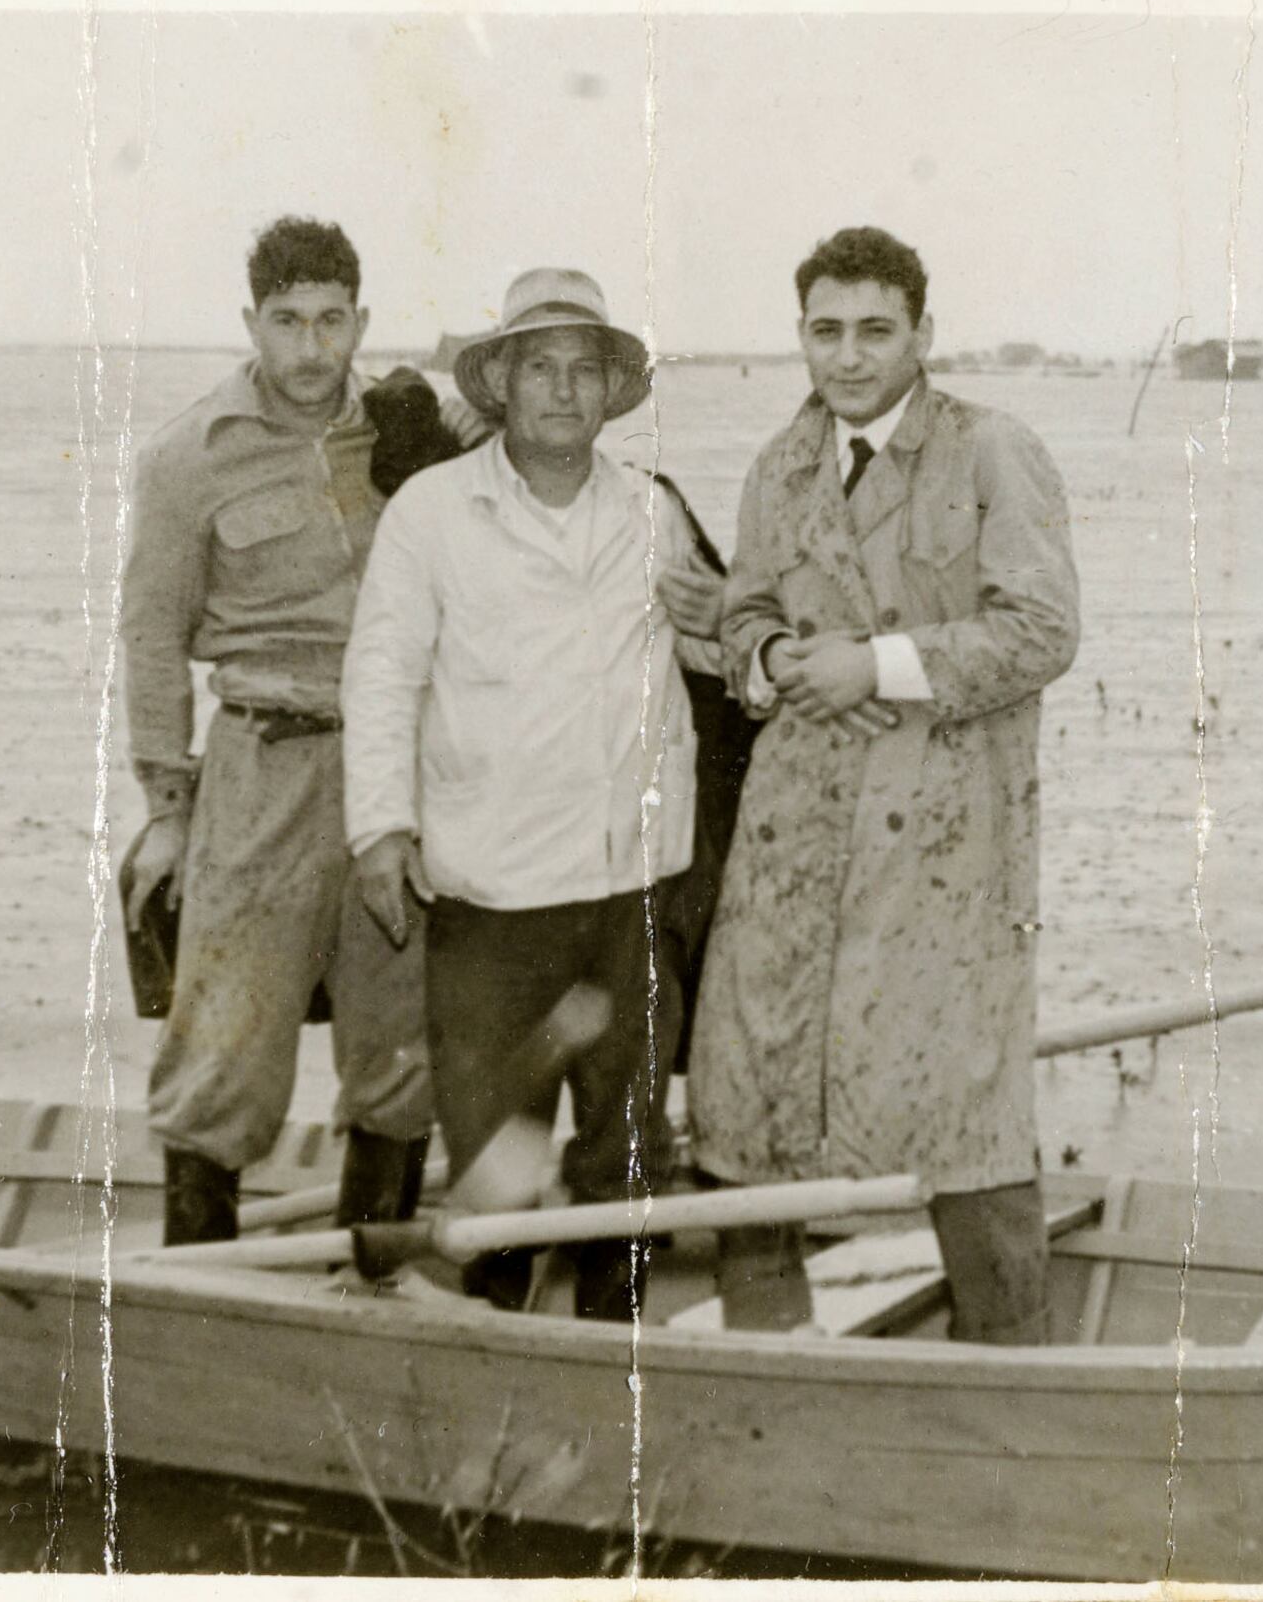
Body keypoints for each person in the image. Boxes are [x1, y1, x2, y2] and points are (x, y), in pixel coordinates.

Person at [688, 227, 1081, 1343]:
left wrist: (882, 666)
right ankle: (769, 1375)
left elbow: (1044, 627)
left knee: (968, 1114)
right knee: (751, 1099)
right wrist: (771, 663)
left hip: (946, 841)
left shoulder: (993, 452)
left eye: (875, 331)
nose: (849, 357)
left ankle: (1010, 1381)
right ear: (800, 335)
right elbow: (744, 615)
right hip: (796, 830)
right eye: (826, 331)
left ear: (922, 334)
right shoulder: (782, 465)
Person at [341, 265, 720, 1321]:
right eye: (539, 367)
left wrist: (726, 617)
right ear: (500, 383)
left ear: (611, 392)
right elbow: (380, 674)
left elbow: (724, 659)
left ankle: (614, 1358)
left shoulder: (652, 513)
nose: (562, 390)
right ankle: (492, 1343)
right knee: (495, 1163)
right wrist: (379, 827)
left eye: (583, 370)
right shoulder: (430, 511)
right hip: (491, 898)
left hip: (631, 894)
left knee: (627, 1154)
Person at [119, 217, 460, 1245]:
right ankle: (199, 1295)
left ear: (361, 320)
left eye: (330, 321)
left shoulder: (407, 428)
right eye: (286, 322)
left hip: (399, 769)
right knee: (224, 1046)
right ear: (250, 324)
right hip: (263, 764)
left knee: (400, 1048)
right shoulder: (190, 456)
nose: (311, 348)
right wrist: (168, 814)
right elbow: (149, 643)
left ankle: (373, 1292)